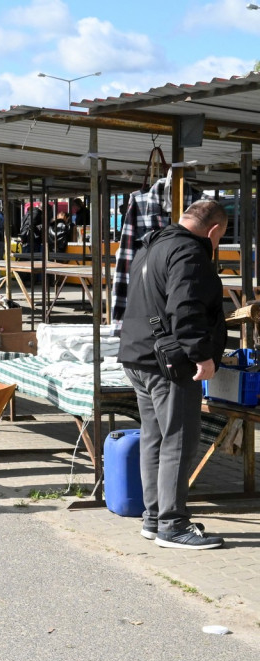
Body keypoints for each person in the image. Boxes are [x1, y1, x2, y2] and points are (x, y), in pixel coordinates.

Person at [118, 199, 228, 550]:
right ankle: (172, 524)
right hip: (171, 363)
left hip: (139, 356)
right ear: (213, 231)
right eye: (221, 238)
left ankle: (155, 519)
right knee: (179, 441)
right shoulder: (189, 254)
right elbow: (185, 308)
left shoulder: (151, 246)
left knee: (155, 438)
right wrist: (202, 356)